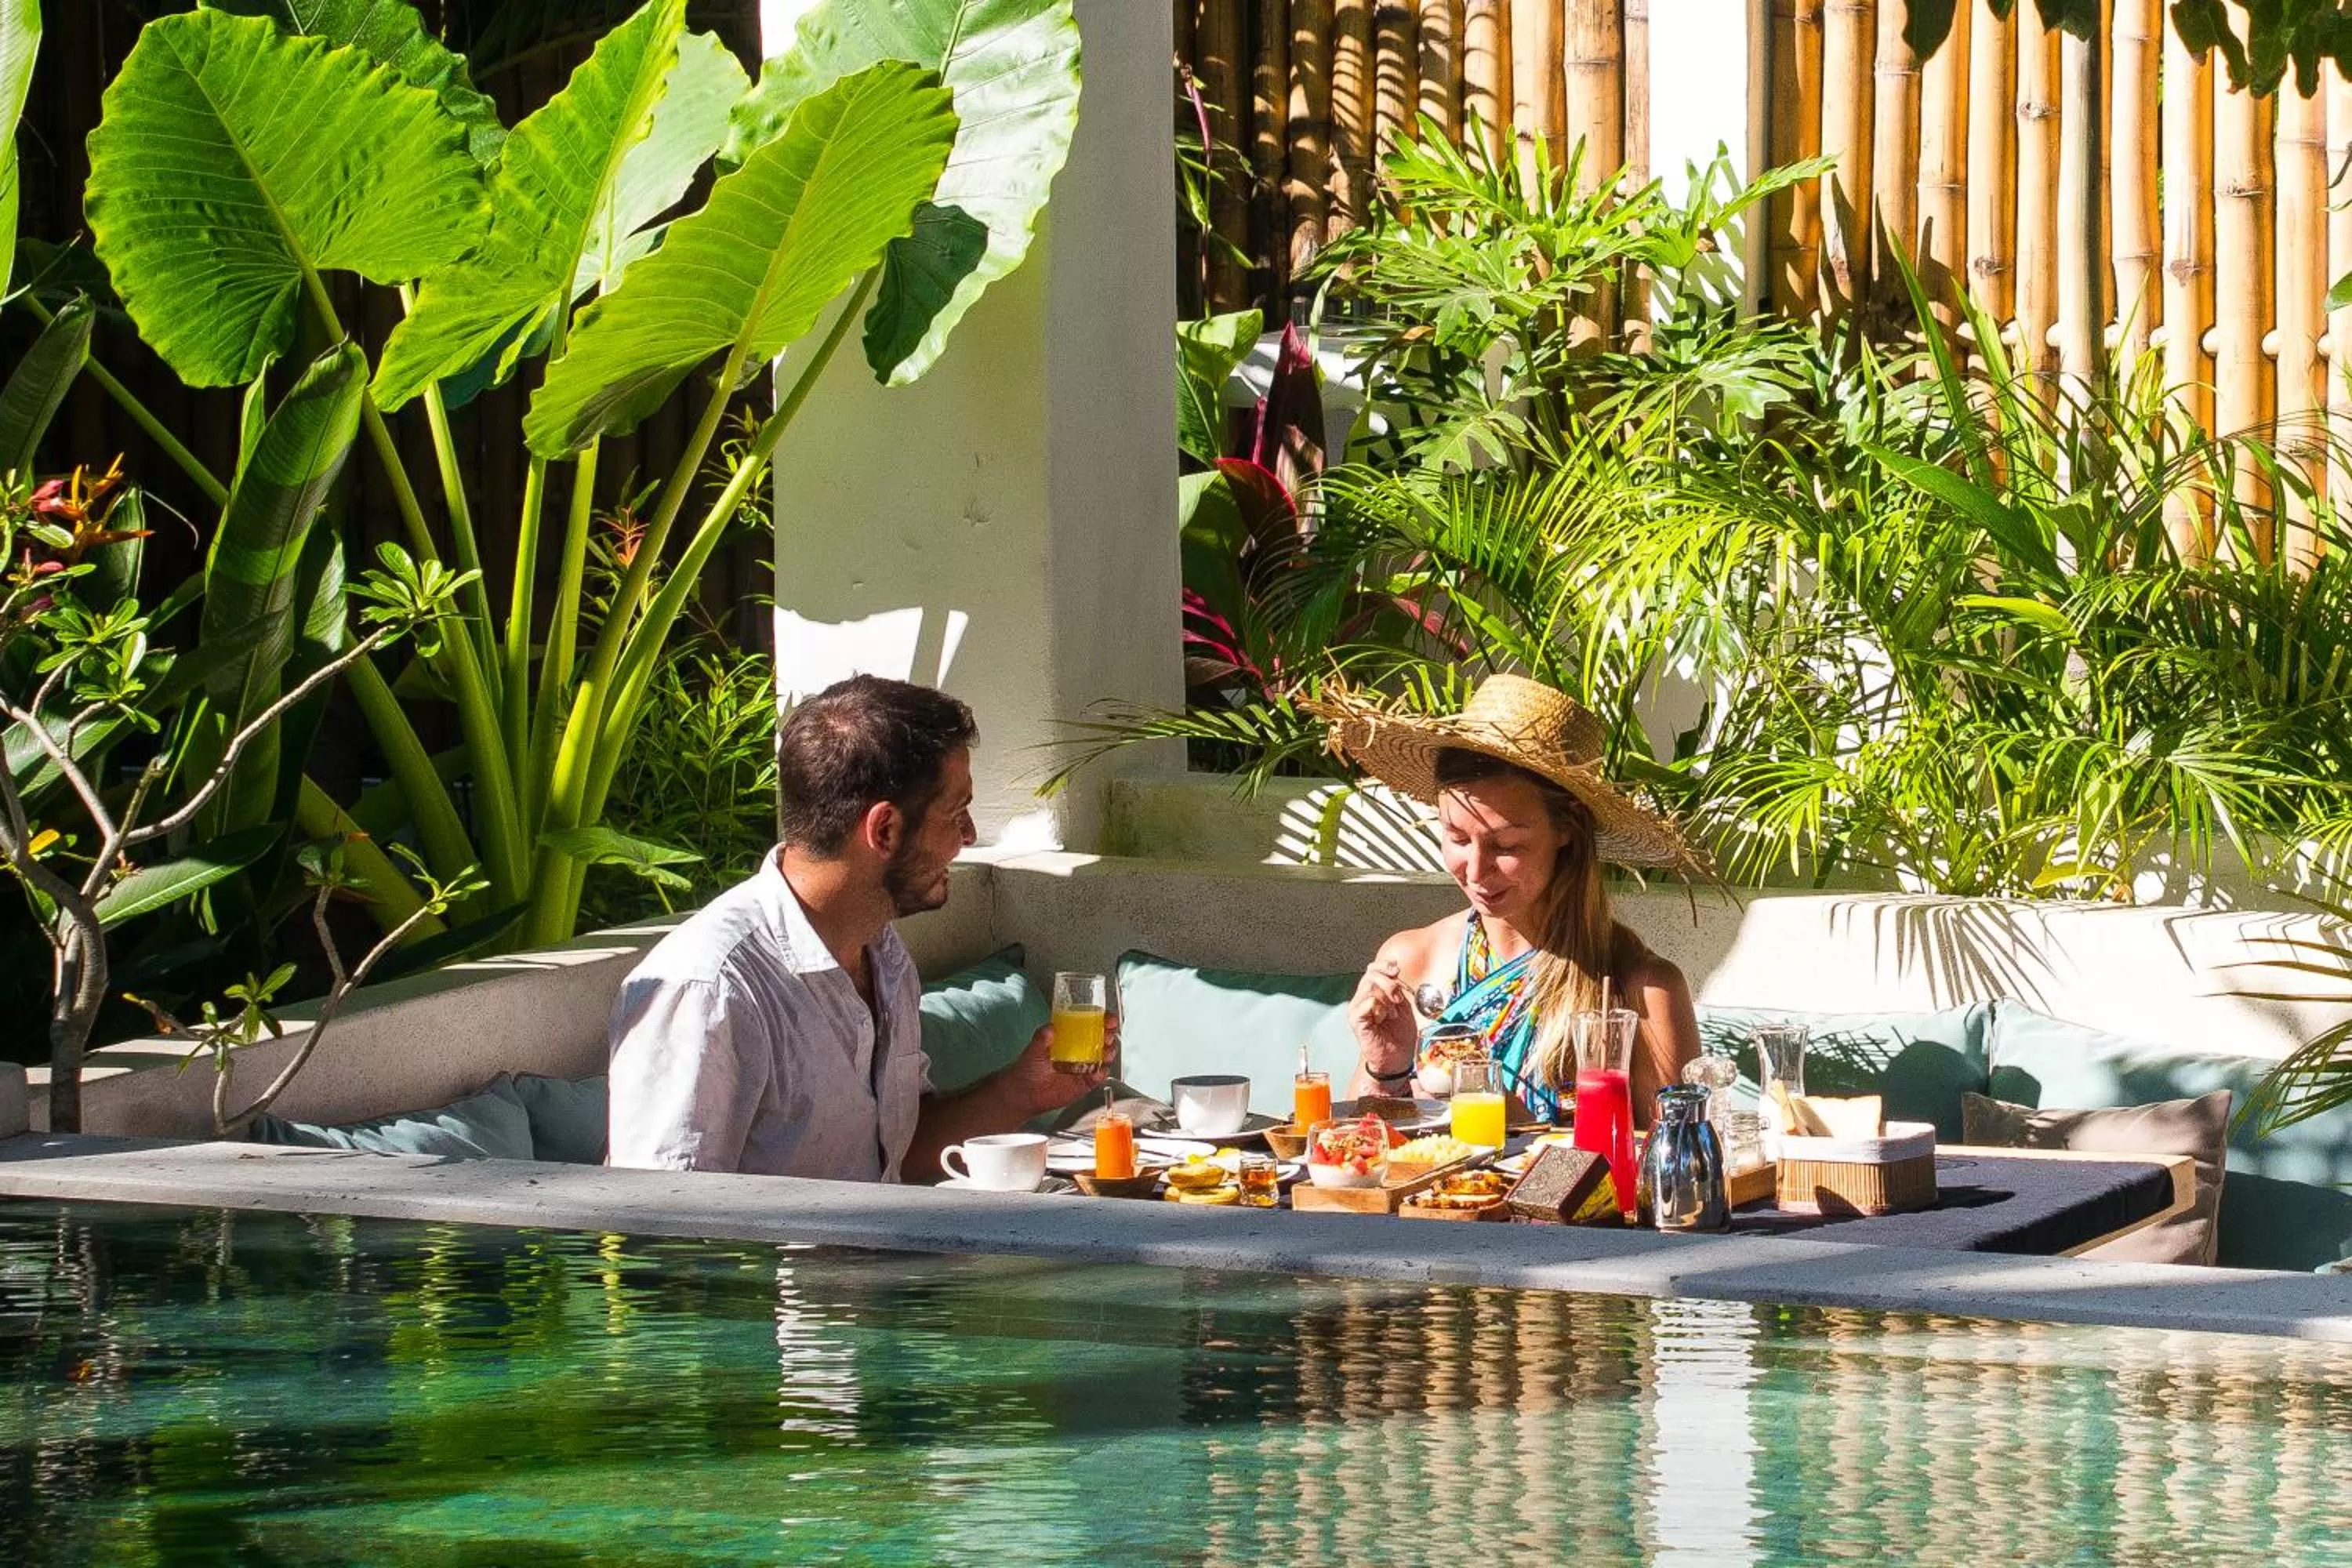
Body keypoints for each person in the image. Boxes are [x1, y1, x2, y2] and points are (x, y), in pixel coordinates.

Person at [606, 674, 1108, 1181]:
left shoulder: (883, 955)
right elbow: (657, 1229)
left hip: (899, 1256)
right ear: (884, 829)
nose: (970, 836)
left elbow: (900, 1157)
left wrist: (1018, 1093)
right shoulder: (710, 988)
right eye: (956, 813)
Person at [1309, 673, 1704, 1127]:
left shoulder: (1641, 990)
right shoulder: (1412, 961)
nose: (1475, 872)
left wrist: (1523, 1127)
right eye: (1456, 837)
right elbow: (1358, 1153)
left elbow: (1672, 1171)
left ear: (1566, 832)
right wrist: (1386, 1068)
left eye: (1507, 846)